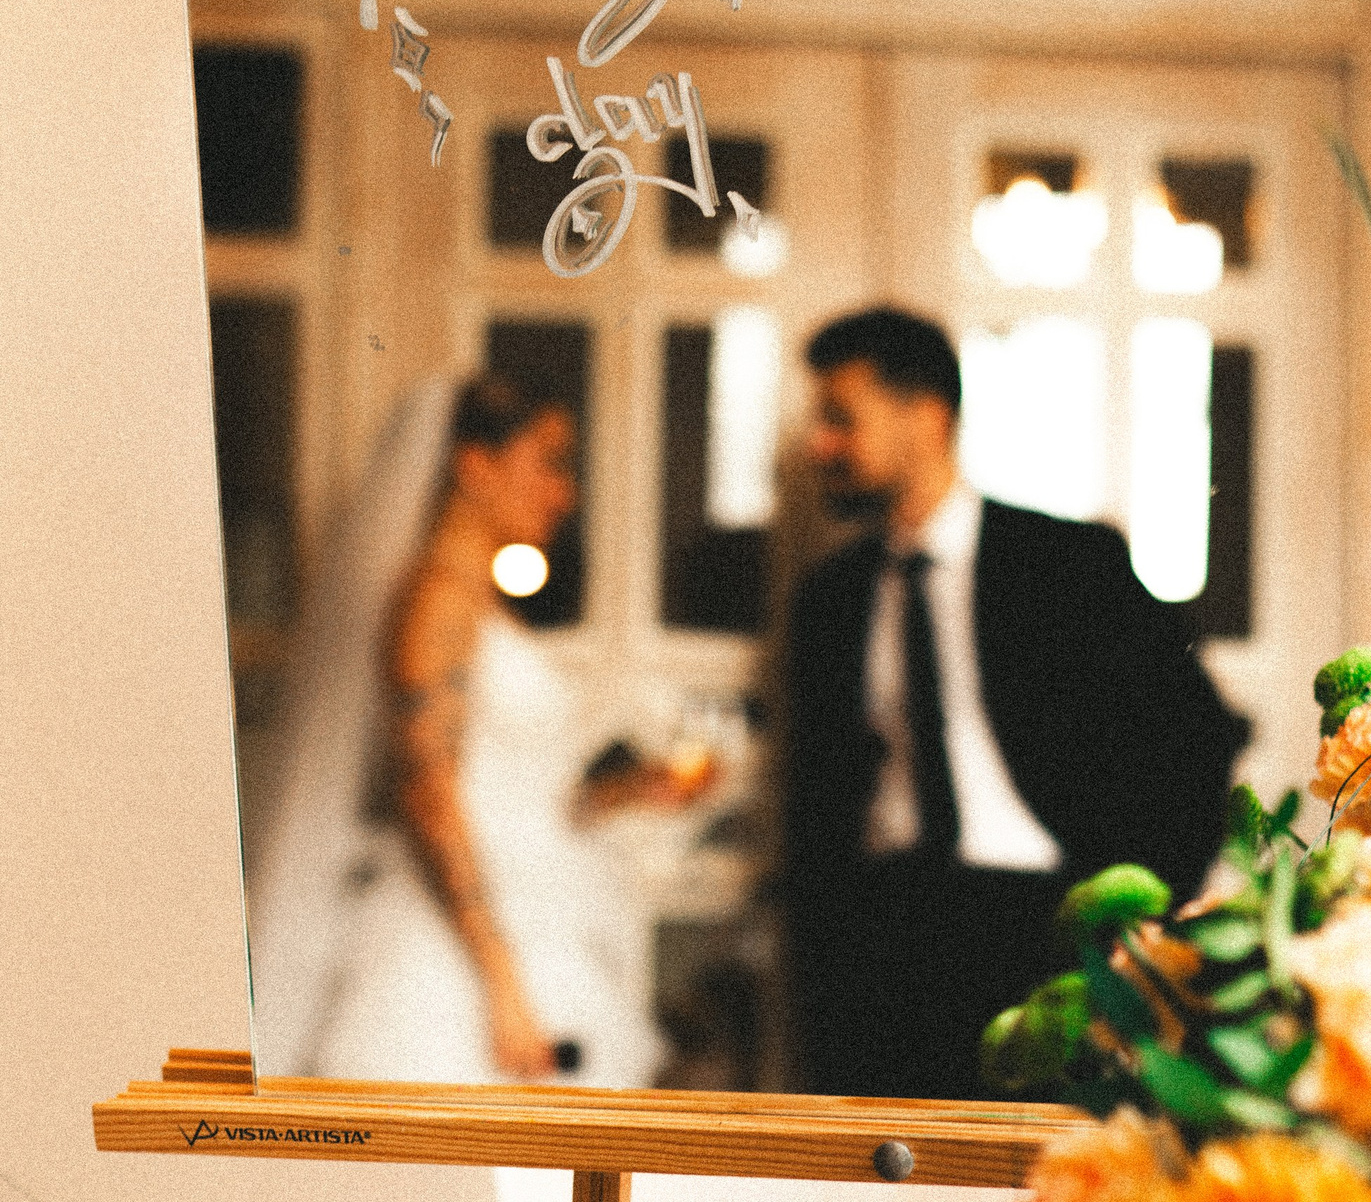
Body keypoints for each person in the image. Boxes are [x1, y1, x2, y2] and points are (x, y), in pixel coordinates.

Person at [781, 307, 1250, 1096]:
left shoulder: (1071, 565)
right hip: (884, 944)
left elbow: (1196, 738)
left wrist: (1141, 917)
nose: (818, 445)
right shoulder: (830, 598)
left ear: (927, 415)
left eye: (840, 418)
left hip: (1039, 924)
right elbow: (817, 812)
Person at [246, 375, 689, 1085]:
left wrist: (629, 789)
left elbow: (512, 792)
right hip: (457, 958)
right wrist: (502, 983)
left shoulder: (482, 604)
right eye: (548, 462)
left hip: (530, 923)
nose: (564, 492)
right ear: (475, 465)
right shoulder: (436, 603)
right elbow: (428, 796)